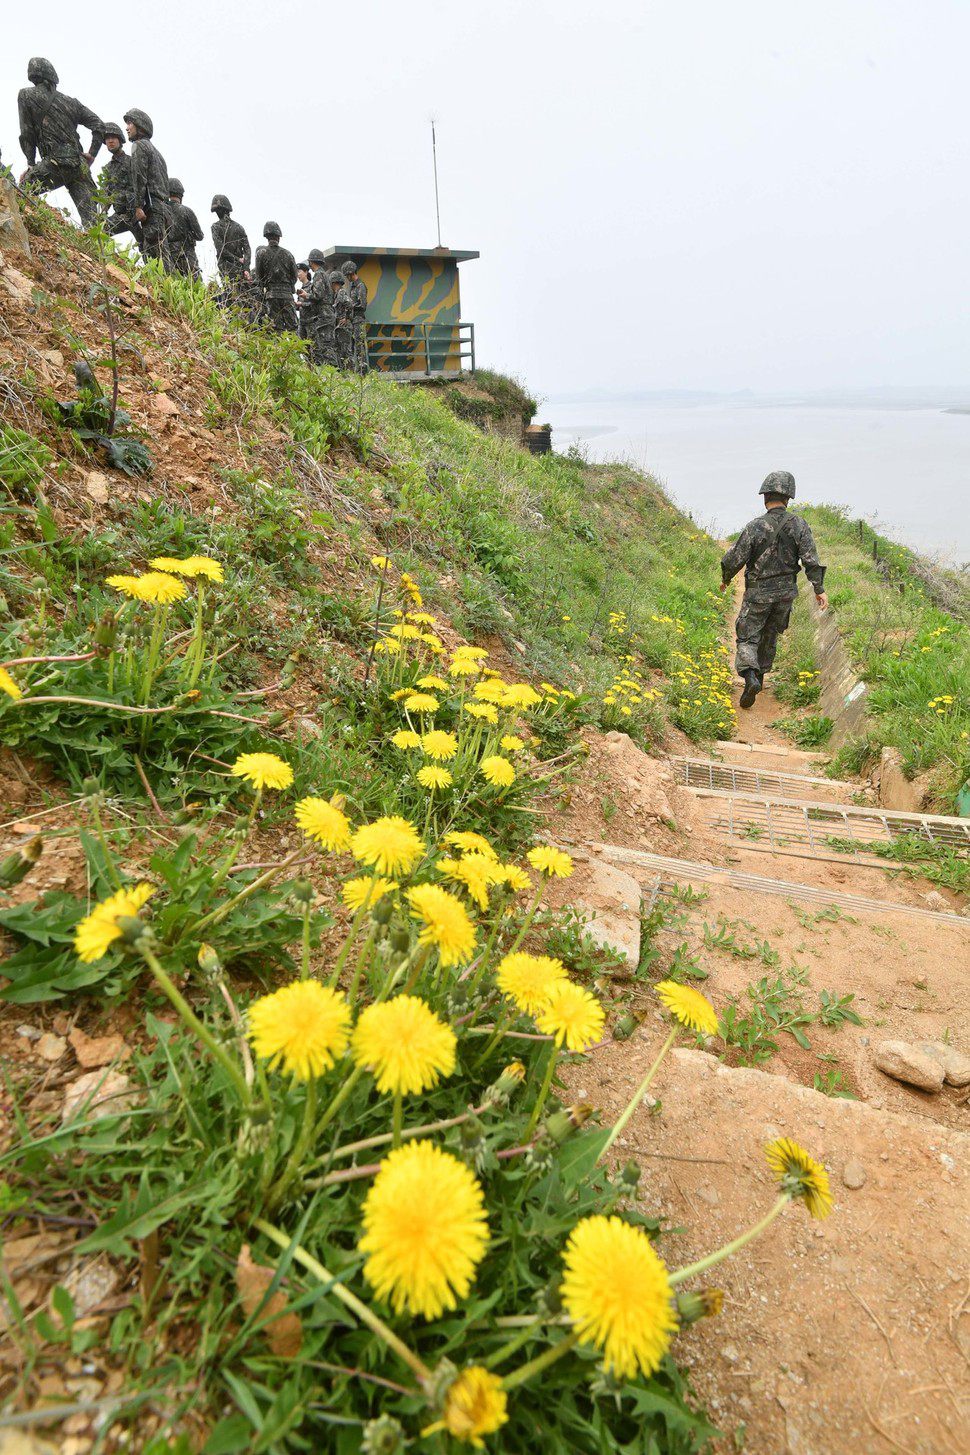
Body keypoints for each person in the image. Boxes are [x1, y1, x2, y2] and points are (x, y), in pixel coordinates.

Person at [719, 471, 828, 708]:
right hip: (785, 595)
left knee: (748, 636)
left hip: (758, 594)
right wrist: (819, 589)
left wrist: (726, 578)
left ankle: (749, 676)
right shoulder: (799, 525)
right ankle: (759, 678)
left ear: (765, 496)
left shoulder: (755, 526)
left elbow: (735, 557)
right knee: (770, 637)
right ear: (788, 498)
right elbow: (811, 559)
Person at [17, 58, 104, 226]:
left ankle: (31, 230)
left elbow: (27, 133)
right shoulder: (71, 102)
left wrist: (30, 163)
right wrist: (92, 154)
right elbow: (99, 125)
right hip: (79, 165)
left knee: (23, 191)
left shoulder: (26, 95)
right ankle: (97, 251)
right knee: (94, 223)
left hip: (56, 163)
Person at [124, 109, 170, 265]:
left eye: (130, 123)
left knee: (154, 258)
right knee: (163, 254)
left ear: (140, 126)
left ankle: (162, 288)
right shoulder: (158, 154)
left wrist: (138, 206)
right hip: (163, 209)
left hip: (151, 209)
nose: (127, 128)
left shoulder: (139, 145)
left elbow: (139, 177)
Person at [98, 122, 140, 245]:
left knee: (148, 247)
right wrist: (102, 215)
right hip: (121, 215)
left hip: (136, 213)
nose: (110, 141)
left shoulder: (131, 162)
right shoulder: (107, 168)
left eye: (113, 137)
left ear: (120, 140)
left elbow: (140, 186)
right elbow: (105, 196)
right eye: (107, 138)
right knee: (100, 232)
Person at [253, 222, 298, 332]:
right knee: (293, 328)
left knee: (276, 329)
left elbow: (259, 277)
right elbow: (294, 276)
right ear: (279, 237)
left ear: (266, 237)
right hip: (287, 295)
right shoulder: (288, 254)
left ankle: (279, 349)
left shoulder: (261, 253)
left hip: (271, 296)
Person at [210, 193, 251, 304]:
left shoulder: (215, 227)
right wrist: (246, 266)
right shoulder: (239, 227)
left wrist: (241, 263)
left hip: (226, 268)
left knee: (232, 298)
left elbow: (220, 249)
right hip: (240, 268)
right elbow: (247, 249)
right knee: (242, 298)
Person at [305, 250, 337, 365]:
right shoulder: (324, 274)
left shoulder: (319, 274)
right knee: (326, 345)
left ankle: (334, 374)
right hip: (326, 314)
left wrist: (305, 295)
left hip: (324, 315)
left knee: (326, 346)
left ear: (311, 262)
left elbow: (317, 295)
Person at [166, 178, 203, 278]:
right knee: (195, 284)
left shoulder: (161, 210)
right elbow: (200, 236)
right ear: (181, 195)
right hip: (187, 255)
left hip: (168, 255)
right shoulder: (187, 211)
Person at [340, 258, 369, 374]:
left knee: (359, 346)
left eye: (347, 275)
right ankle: (356, 372)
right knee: (352, 347)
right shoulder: (352, 287)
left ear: (351, 273)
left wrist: (351, 306)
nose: (347, 278)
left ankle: (363, 373)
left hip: (358, 321)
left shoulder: (360, 286)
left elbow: (363, 305)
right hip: (352, 321)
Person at [295, 261, 310, 339]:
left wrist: (301, 304)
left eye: (299, 272)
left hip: (310, 323)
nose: (298, 274)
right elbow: (298, 307)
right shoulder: (301, 289)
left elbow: (314, 304)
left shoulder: (312, 287)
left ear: (306, 272)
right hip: (302, 323)